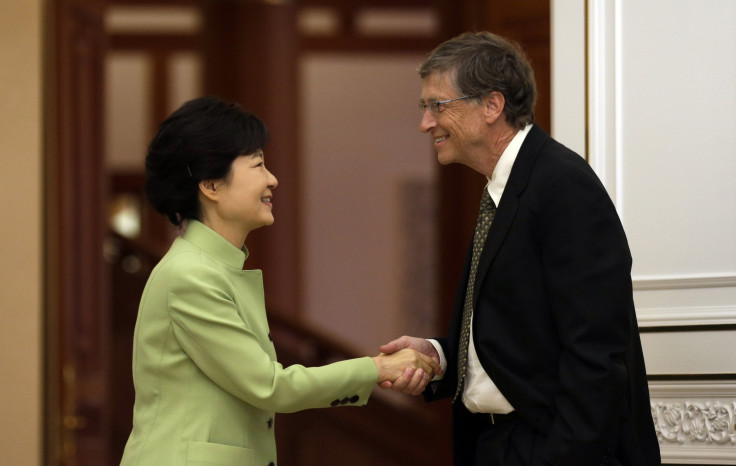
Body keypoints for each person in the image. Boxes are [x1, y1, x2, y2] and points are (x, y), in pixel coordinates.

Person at [379, 32, 661, 465]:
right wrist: (438, 355)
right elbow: (521, 338)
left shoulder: (561, 185)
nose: (426, 123)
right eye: (425, 108)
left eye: (438, 105)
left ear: (492, 106)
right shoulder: (504, 189)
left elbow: (597, 354)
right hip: (500, 445)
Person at [119, 95, 439, 466]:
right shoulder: (190, 275)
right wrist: (378, 368)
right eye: (257, 164)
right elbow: (269, 386)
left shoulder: (208, 268)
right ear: (210, 185)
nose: (272, 179)